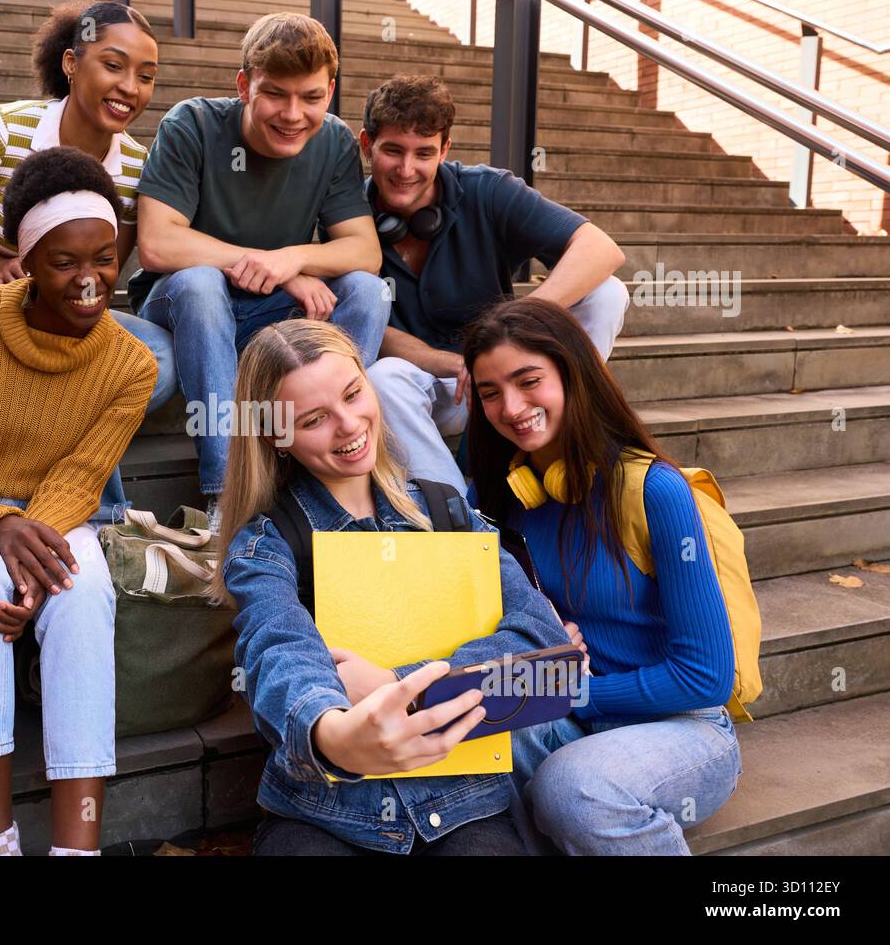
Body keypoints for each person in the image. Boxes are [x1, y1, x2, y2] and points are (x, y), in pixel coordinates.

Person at [212, 318, 571, 855]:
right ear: (273, 434)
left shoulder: (448, 512)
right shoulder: (268, 543)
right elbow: (277, 648)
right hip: (326, 813)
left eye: (354, 393)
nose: (349, 424)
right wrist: (332, 736)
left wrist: (393, 683)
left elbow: (538, 641)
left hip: (464, 801)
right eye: (313, 419)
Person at [0, 147, 157, 857]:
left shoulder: (131, 363)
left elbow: (81, 477)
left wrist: (32, 547)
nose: (89, 282)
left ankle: (77, 849)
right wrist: (0, 526)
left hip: (52, 512)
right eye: (64, 263)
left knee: (82, 585)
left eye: (105, 259)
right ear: (26, 261)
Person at [463, 298, 743, 855]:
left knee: (574, 788)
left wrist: (570, 693)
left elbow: (706, 677)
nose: (510, 406)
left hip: (680, 727)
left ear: (573, 374)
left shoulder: (655, 491)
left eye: (528, 380)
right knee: (468, 747)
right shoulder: (498, 498)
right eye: (489, 392)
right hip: (564, 714)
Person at [0, 0, 175, 518]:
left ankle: (58, 486)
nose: (129, 88)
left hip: (66, 308)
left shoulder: (139, 168)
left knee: (157, 354)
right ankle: (92, 515)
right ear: (72, 64)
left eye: (146, 76)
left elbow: (96, 274)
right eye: (113, 65)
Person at [129, 12, 390, 527]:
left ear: (330, 92)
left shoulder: (334, 142)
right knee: (201, 284)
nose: (293, 114)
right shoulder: (193, 124)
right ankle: (230, 499)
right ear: (245, 85)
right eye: (276, 94)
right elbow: (157, 244)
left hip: (269, 317)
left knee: (368, 291)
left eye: (311, 97)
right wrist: (275, 269)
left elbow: (365, 252)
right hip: (184, 309)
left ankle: (326, 464)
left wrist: (292, 258)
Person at [361, 75, 630, 494]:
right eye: (393, 150)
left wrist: (510, 337)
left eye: (424, 153)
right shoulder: (346, 215)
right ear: (367, 145)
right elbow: (367, 330)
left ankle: (558, 440)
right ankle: (460, 510)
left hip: (506, 377)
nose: (406, 169)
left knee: (608, 293)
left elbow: (601, 249)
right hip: (428, 386)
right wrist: (453, 362)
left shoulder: (487, 190)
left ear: (445, 150)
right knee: (384, 376)